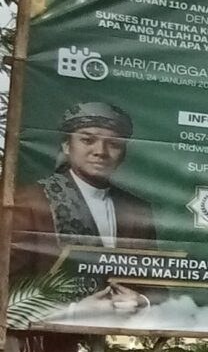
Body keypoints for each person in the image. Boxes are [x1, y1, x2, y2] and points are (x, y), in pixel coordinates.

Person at [16, 102, 155, 254]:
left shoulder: (138, 210)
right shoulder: (31, 200)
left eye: (113, 144)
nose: (100, 151)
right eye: (88, 140)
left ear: (123, 153)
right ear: (67, 146)